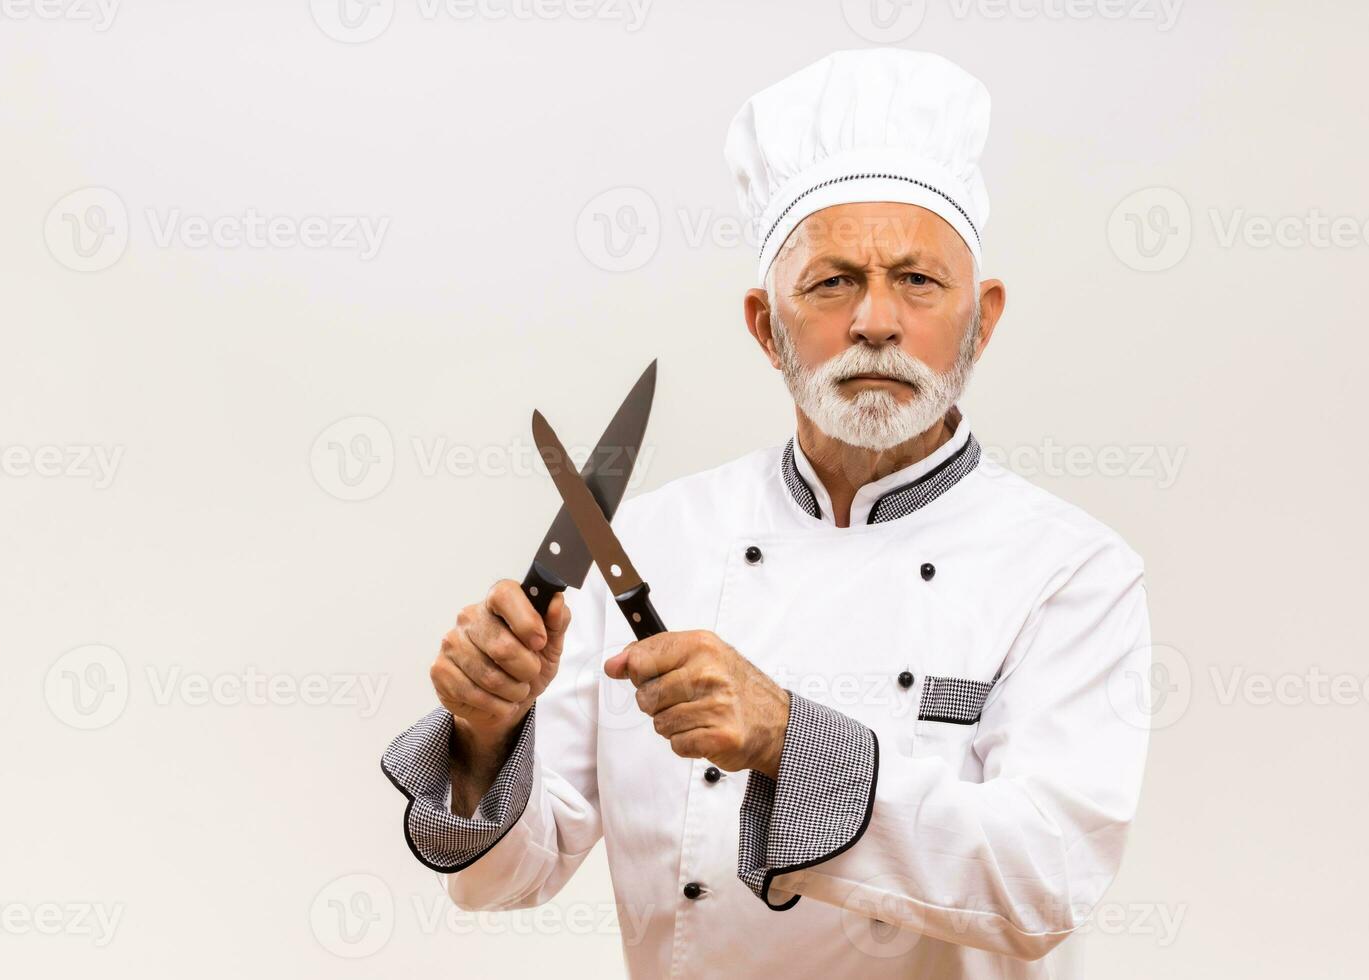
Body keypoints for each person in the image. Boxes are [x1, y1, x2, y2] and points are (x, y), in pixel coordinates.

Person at [382, 47, 1152, 978]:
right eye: (831, 283)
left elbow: (1043, 881)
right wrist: (486, 732)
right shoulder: (656, 541)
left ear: (982, 320)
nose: (875, 320)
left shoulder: (1070, 570)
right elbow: (505, 878)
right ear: (765, 325)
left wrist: (788, 736)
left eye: (917, 280)